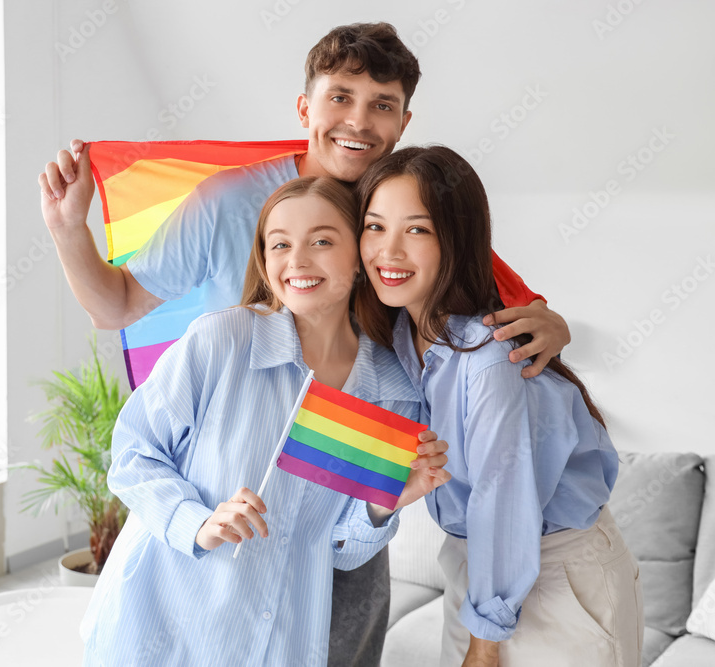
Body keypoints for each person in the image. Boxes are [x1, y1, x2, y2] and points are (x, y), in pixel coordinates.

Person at [41, 23, 571, 665]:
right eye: (340, 97)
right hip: (217, 507)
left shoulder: (402, 212)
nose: (359, 121)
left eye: (382, 104)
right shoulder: (227, 214)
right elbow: (117, 309)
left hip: (341, 499)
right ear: (305, 108)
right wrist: (68, 229)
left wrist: (549, 322)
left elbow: (478, 290)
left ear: (404, 121)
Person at [81, 176, 452, 666]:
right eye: (279, 244)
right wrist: (198, 521)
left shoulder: (392, 392)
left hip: (281, 643)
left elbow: (341, 549)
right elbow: (133, 454)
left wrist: (386, 503)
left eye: (322, 241)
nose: (297, 260)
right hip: (158, 625)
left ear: (360, 259)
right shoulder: (221, 341)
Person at [354, 145, 643, 667]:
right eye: (375, 226)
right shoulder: (395, 340)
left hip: (556, 574)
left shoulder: (489, 356)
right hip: (474, 566)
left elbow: (500, 493)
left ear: (456, 240)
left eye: (417, 230)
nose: (388, 251)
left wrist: (484, 645)